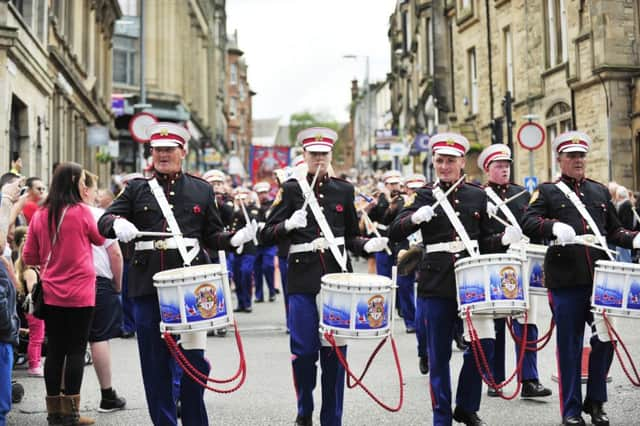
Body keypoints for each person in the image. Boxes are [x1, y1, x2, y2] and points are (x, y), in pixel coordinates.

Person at [98, 122, 257, 426]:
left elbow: (212, 235)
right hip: (148, 288)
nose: (163, 155)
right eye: (157, 150)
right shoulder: (136, 189)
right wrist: (117, 225)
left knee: (194, 362)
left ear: (183, 152)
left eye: (170, 149)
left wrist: (234, 239)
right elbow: (105, 219)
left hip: (192, 287)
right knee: (156, 367)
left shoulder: (201, 188)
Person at [260, 127, 388, 426]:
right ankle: (305, 408)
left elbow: (351, 236)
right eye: (313, 154)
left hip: (337, 281)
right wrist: (288, 225)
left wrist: (367, 245)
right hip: (302, 281)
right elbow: (266, 234)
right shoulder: (291, 190)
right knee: (304, 352)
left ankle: (332, 418)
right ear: (304, 156)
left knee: (335, 355)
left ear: (330, 156)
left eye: (323, 154)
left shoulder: (343, 189)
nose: (318, 158)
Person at [389, 133, 512, 425]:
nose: (444, 166)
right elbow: (395, 230)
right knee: (439, 354)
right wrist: (414, 219)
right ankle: (441, 415)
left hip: (472, 283)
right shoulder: (423, 195)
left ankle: (466, 406)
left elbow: (486, 240)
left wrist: (505, 238)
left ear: (461, 162)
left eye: (450, 161)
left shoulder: (476, 194)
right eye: (440, 161)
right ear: (434, 162)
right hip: (436, 282)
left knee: (485, 345)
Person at [522, 131, 640, 426]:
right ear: (559, 159)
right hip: (566, 278)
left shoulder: (599, 191)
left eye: (581, 156)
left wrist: (634, 240)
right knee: (570, 345)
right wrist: (552, 227)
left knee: (605, 340)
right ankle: (571, 410)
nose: (577, 161)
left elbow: (613, 231)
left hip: (599, 279)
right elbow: (528, 221)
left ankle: (596, 402)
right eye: (571, 156)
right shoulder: (548, 192)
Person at [22, 162, 106, 425]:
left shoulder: (40, 214)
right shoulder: (82, 212)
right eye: (82, 181)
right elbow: (100, 239)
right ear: (74, 183)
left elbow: (29, 255)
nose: (84, 185)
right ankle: (72, 412)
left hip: (52, 292)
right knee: (76, 350)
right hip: (81, 291)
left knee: (56, 349)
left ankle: (53, 413)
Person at [476, 144, 552, 399]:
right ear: (487, 169)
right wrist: (501, 239)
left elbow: (532, 224)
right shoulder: (478, 196)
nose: (505, 169)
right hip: (495, 264)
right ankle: (494, 379)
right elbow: (476, 239)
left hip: (523, 262)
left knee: (527, 322)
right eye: (499, 166)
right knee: (496, 324)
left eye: (507, 165)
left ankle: (529, 379)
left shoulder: (522, 194)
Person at [80, 171, 127, 413]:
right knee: (98, 338)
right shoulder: (98, 216)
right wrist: (117, 284)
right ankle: (107, 395)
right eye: (96, 190)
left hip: (61, 285)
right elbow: (115, 254)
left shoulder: (51, 216)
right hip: (98, 282)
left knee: (68, 343)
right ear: (85, 189)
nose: (98, 196)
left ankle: (66, 402)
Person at [14, 241, 45, 376]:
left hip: (34, 309)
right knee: (36, 337)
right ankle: (34, 364)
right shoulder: (30, 272)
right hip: (33, 309)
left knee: (38, 336)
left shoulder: (32, 270)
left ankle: (37, 361)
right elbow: (33, 290)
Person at [253, 181, 277, 303]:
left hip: (269, 242)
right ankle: (259, 295)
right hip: (256, 243)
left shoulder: (272, 205)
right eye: (260, 193)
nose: (263, 195)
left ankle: (272, 291)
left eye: (264, 192)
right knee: (256, 269)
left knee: (268, 266)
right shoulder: (253, 206)